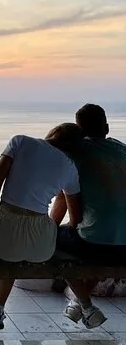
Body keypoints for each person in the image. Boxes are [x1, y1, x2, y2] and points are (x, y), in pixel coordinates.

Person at [0, 123, 84, 330]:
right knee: (15, 250)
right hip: (41, 244)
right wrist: (48, 228)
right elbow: (75, 217)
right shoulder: (70, 167)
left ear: (56, 132)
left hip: (6, 223)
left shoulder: (21, 141)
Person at [51, 104, 126, 329]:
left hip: (98, 245)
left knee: (50, 243)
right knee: (98, 234)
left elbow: (64, 201)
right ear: (107, 128)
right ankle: (78, 303)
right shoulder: (122, 150)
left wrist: (50, 230)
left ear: (79, 131)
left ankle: (85, 305)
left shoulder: (76, 155)